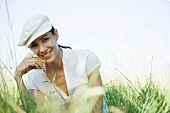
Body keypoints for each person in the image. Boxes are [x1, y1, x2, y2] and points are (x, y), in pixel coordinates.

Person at [14, 14, 108, 113]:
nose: (42, 49)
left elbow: (97, 109)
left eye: (45, 39)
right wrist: (18, 76)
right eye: (34, 45)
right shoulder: (35, 78)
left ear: (56, 35)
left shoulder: (86, 58)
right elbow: (34, 111)